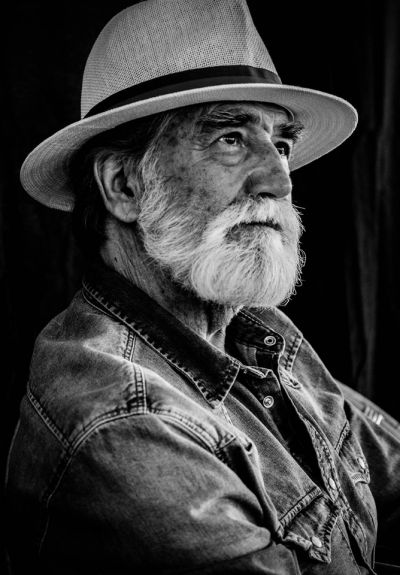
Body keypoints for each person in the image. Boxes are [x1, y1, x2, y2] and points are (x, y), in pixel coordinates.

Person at [5, 0, 400, 573]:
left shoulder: (255, 332)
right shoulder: (126, 422)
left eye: (281, 144)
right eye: (230, 138)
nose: (280, 180)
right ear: (124, 185)